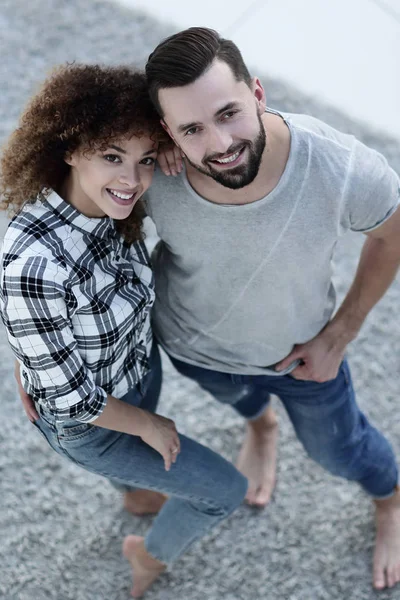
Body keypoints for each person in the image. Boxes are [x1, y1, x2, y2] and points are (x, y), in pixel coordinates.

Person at [141, 27, 400, 590]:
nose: (219, 144)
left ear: (258, 93)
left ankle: (392, 498)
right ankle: (261, 430)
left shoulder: (336, 165)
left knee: (340, 451)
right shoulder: (149, 172)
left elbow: (393, 233)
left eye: (229, 113)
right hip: (194, 349)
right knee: (243, 402)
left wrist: (342, 333)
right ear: (167, 131)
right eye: (192, 129)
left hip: (302, 358)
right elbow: (71, 225)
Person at [0, 63, 247, 598]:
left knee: (147, 465)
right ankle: (149, 560)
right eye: (112, 157)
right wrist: (147, 424)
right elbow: (70, 400)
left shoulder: (120, 203)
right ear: (69, 148)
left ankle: (135, 496)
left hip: (136, 364)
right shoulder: (34, 267)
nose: (131, 181)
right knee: (224, 490)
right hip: (92, 422)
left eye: (144, 160)